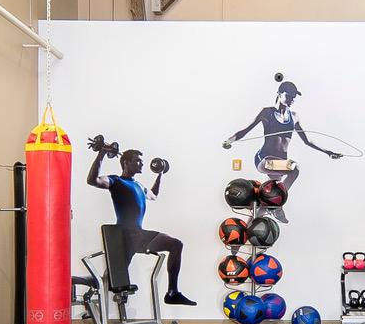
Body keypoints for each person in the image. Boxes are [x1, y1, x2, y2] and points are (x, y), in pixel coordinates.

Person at [86, 135, 195, 307]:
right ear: (126, 163)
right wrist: (101, 153)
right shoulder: (116, 181)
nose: (142, 164)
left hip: (136, 235)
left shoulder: (138, 185)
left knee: (113, 276)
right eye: (138, 161)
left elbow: (153, 195)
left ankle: (95, 298)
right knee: (113, 277)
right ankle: (171, 293)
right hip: (126, 235)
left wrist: (160, 175)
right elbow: (93, 180)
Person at [222, 73, 344, 222]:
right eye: (289, 95)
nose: (292, 99)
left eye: (294, 96)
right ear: (279, 93)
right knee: (295, 169)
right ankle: (277, 205)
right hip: (264, 160)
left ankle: (250, 227)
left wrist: (328, 152)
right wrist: (229, 140)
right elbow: (245, 130)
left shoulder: (294, 116)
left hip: (280, 164)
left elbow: (307, 141)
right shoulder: (267, 112)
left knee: (269, 200)